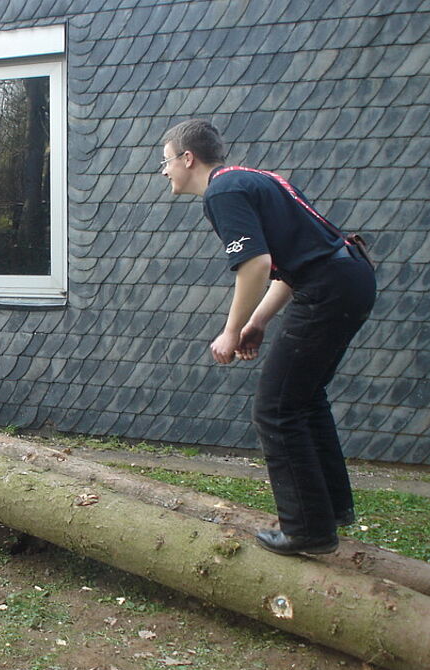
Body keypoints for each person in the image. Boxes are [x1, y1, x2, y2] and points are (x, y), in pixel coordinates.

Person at [160, 119, 376, 555]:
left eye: (166, 161)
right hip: (348, 277)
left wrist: (230, 332)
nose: (164, 171)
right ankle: (329, 511)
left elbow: (256, 264)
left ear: (188, 158)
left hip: (329, 287)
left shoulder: (222, 192)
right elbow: (297, 261)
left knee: (275, 409)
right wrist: (257, 321)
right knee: (304, 398)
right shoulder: (255, 179)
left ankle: (308, 531)